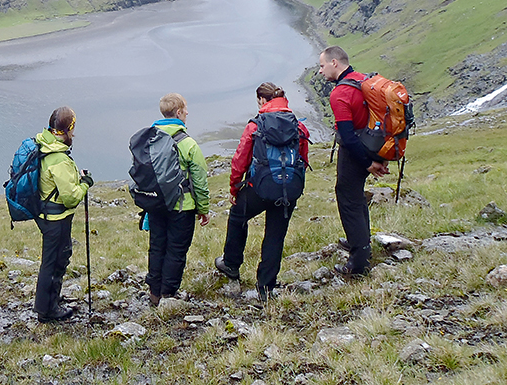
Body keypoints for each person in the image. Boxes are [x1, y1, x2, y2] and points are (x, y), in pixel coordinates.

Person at [215, 82, 310, 300]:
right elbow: (303, 160)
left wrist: (234, 186)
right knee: (275, 235)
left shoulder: (255, 125)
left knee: (238, 216)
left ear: (261, 101)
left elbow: (240, 159)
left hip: (258, 189)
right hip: (287, 189)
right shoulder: (298, 126)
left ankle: (231, 264)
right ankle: (266, 288)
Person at [319, 46, 387, 276]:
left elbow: (347, 136)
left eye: (322, 66)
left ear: (335, 63)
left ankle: (358, 261)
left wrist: (367, 163)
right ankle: (360, 241)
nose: (320, 71)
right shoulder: (363, 80)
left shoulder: (339, 93)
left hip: (355, 153)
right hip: (370, 145)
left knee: (348, 198)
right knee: (355, 194)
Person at [145, 93, 210, 305]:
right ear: (179, 112)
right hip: (182, 206)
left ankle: (154, 293)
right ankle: (168, 294)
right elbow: (199, 179)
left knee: (157, 246)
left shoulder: (149, 139)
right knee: (176, 249)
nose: (188, 113)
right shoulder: (188, 144)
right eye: (186, 109)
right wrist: (203, 208)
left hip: (155, 204)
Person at [33, 106, 93, 323]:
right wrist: (85, 184)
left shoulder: (45, 144)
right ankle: (47, 309)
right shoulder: (58, 158)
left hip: (46, 214)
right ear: (68, 129)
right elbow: (70, 198)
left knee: (53, 259)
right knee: (55, 261)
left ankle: (50, 302)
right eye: (72, 129)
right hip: (57, 219)